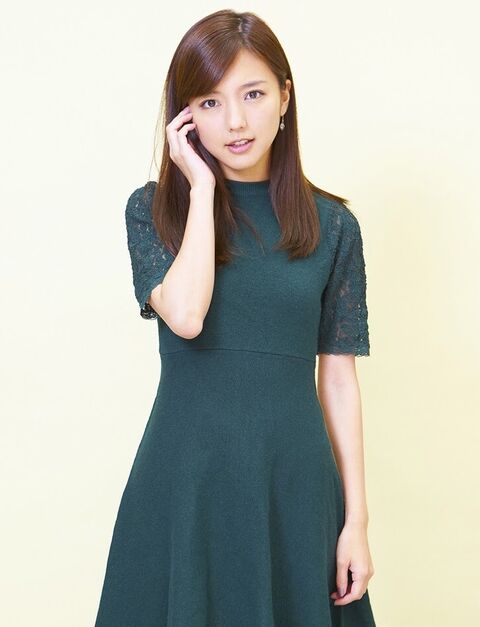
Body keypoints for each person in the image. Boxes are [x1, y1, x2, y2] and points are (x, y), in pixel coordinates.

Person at [95, 8, 377, 627]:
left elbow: (338, 379)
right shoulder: (153, 212)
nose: (236, 122)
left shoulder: (333, 227)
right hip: (185, 481)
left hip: (293, 484)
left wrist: (355, 520)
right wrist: (200, 190)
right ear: (186, 117)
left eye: (252, 94)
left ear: (285, 97)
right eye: (210, 102)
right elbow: (187, 316)